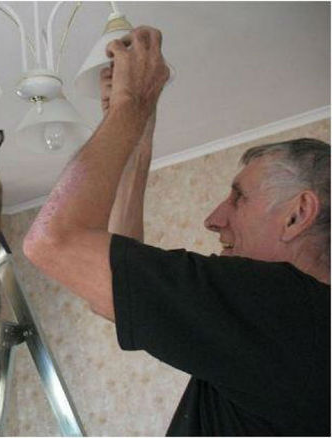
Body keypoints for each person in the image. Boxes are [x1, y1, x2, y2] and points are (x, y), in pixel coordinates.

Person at [23, 25, 330, 436]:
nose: (213, 218)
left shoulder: (280, 306)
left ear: (297, 215)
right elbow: (108, 292)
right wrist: (137, 140)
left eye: (238, 197)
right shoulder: (298, 329)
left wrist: (131, 105)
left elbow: (53, 241)